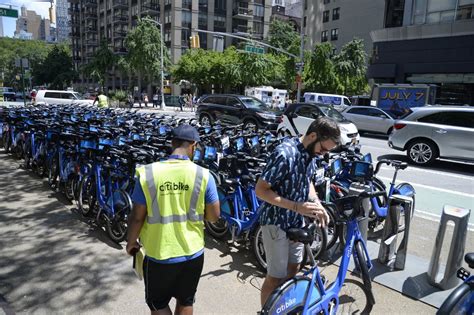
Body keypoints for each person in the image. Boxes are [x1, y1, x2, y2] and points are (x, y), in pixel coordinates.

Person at [126, 124, 220, 315]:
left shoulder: (148, 173)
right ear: (193, 145)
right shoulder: (204, 175)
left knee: (157, 303)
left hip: (159, 254)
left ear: (172, 143)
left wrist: (130, 242)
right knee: (185, 300)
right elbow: (214, 216)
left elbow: (137, 217)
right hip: (193, 253)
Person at [255, 117, 340, 307]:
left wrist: (317, 203)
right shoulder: (285, 154)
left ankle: (284, 306)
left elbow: (307, 180)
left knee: (294, 268)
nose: (323, 154)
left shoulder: (310, 153)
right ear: (312, 135)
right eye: (324, 149)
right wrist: (296, 206)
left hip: (296, 221)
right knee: (274, 277)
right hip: (276, 223)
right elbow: (260, 190)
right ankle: (267, 311)